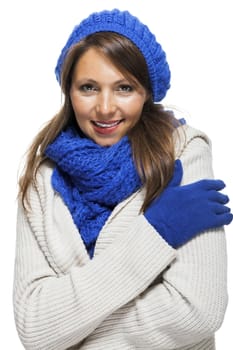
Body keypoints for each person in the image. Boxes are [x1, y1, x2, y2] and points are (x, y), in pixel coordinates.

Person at [13, 8, 232, 350]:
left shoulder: (183, 152)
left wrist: (72, 333)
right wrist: (154, 234)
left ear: (146, 92)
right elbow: (34, 328)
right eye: (88, 87)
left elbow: (197, 312)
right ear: (69, 91)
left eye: (124, 88)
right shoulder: (42, 180)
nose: (105, 108)